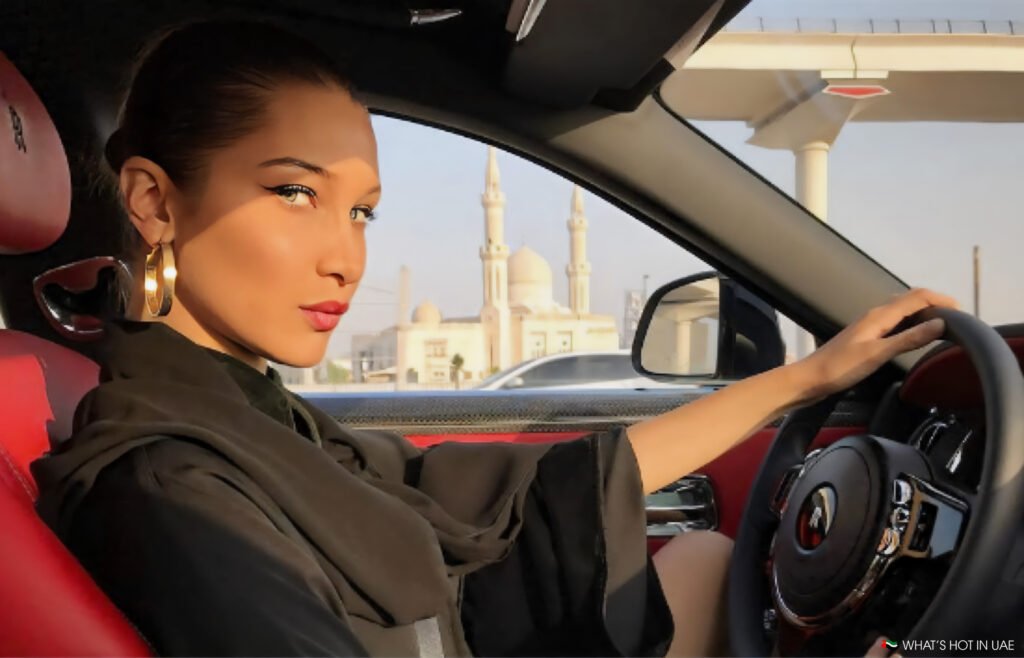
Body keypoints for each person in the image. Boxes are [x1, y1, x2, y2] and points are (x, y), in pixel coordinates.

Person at [31, 20, 955, 658]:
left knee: (708, 560)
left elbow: (519, 494)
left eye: (361, 212)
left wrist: (807, 381)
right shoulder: (171, 483)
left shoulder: (256, 415)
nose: (343, 259)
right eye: (294, 192)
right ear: (155, 201)